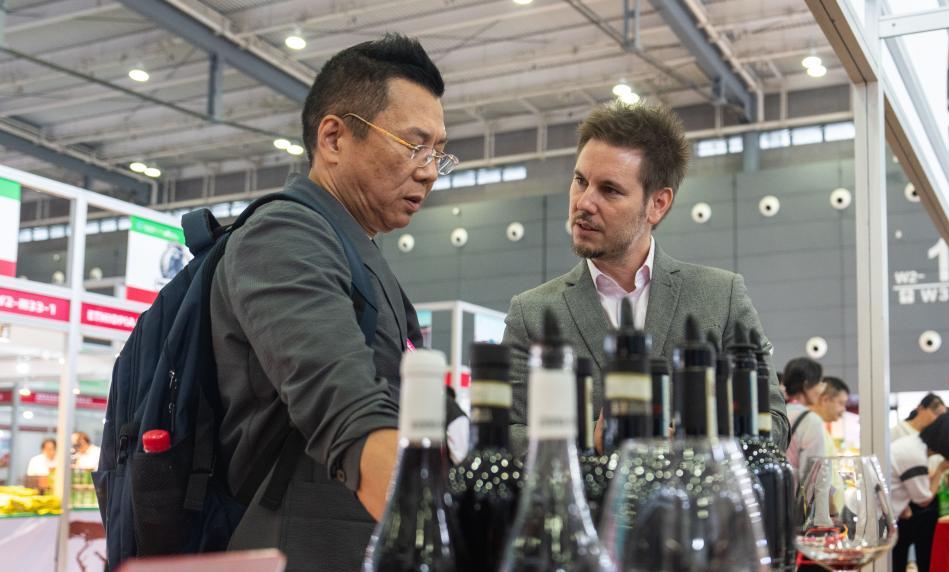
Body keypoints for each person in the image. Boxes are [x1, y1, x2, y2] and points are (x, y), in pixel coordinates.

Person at [210, 34, 460, 571]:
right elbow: (343, 401)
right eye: (413, 145)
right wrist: (454, 531)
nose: (429, 170)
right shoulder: (282, 235)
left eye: (438, 153)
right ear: (333, 137)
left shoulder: (357, 252)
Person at [501, 102, 789, 457]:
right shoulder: (531, 313)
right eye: (580, 181)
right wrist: (586, 438)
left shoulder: (721, 297)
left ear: (658, 204)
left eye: (609, 189)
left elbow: (773, 423)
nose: (583, 203)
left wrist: (693, 444)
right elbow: (505, 433)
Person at [890, 411, 949, 572]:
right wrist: (941, 468)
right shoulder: (916, 455)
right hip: (874, 519)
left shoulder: (913, 444)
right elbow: (924, 499)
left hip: (882, 516)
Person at [783, 357, 827, 480]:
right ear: (806, 385)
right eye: (819, 382)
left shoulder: (779, 414)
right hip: (797, 490)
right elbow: (814, 473)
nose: (821, 389)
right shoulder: (810, 420)